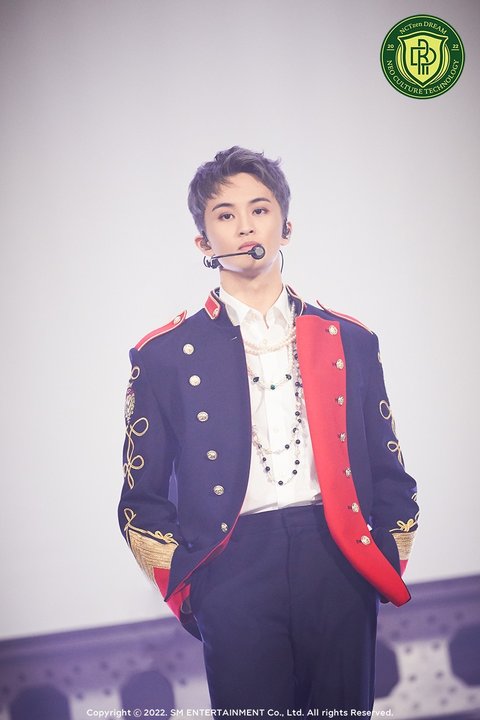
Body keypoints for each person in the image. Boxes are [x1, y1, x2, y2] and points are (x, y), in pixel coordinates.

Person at [119, 146, 419, 713]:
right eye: (225, 214)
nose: (245, 226)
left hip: (337, 558)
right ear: (203, 242)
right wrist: (191, 587)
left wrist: (380, 558)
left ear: (286, 226)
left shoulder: (349, 339)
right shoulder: (163, 355)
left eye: (259, 209)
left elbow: (390, 471)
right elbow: (142, 497)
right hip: (230, 569)